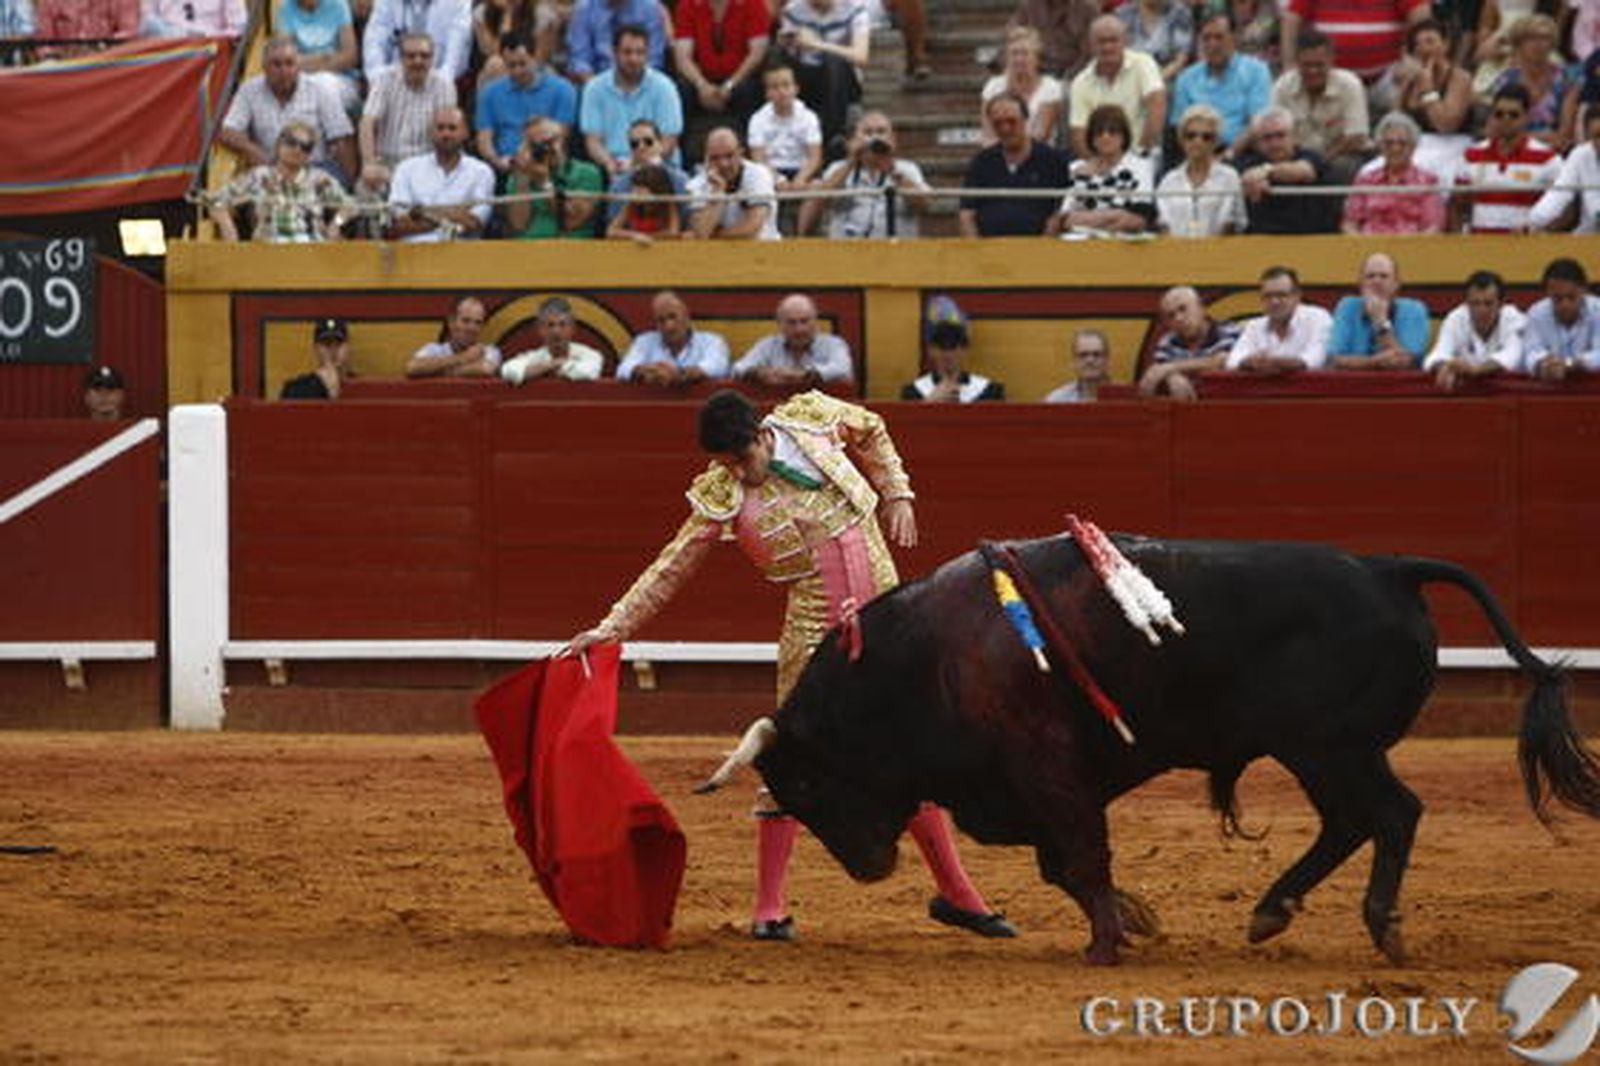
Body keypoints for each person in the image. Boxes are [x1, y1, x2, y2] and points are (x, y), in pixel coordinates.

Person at [563, 388, 1015, 942]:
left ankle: (959, 895)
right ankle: (769, 908)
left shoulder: (811, 421)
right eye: (726, 465)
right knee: (788, 761)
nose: (739, 474)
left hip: (890, 618)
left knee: (911, 752)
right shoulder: (723, 491)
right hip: (813, 630)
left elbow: (871, 428)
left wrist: (897, 491)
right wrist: (612, 628)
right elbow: (671, 566)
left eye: (742, 460)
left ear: (760, 434)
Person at [218, 37, 358, 185]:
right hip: (271, 168)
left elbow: (342, 137)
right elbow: (228, 131)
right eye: (276, 65)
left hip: (314, 168)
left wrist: (351, 184)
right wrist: (253, 151)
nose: (284, 71)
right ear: (264, 67)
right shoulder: (249, 90)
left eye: (289, 64)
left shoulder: (319, 89)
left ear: (298, 66)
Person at [210, 121, 351, 243]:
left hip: (311, 249)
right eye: (291, 142)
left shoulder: (320, 179)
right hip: (269, 250)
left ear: (309, 155)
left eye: (305, 147)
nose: (297, 149)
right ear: (279, 144)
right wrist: (227, 227)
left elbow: (351, 206)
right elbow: (215, 201)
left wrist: (336, 224)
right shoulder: (259, 176)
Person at [798, 111, 930, 238]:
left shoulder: (907, 169)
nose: (874, 138)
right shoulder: (838, 169)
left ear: (892, 139)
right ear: (854, 138)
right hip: (847, 253)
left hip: (895, 253)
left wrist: (892, 171)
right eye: (868, 132)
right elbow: (820, 200)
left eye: (881, 132)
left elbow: (924, 205)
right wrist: (851, 162)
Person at [959, 92, 1073, 237]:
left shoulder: (1053, 160)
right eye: (998, 123)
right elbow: (966, 214)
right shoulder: (981, 162)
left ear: (1026, 119)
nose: (1005, 128)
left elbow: (1063, 209)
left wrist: (1045, 246)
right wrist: (976, 252)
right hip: (988, 250)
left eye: (1012, 121)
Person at [579, 24, 684, 178]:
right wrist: (609, 163)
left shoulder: (665, 87)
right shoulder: (594, 88)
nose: (634, 58)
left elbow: (669, 141)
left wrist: (639, 164)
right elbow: (593, 142)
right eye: (627, 52)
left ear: (647, 54)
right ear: (614, 53)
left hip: (659, 165)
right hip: (613, 166)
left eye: (640, 52)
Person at [359, 32, 459, 193]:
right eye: (411, 56)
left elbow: (447, 132)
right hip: (387, 164)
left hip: (428, 165)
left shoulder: (444, 85)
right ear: (401, 58)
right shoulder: (385, 79)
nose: (417, 61)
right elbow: (367, 122)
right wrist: (369, 163)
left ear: (433, 58)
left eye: (424, 56)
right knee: (366, 196)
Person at [1452, 83, 1560, 232]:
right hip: (1479, 247)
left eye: (1514, 114)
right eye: (1499, 114)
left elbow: (1564, 206)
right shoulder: (1471, 155)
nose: (1506, 119)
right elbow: (1457, 206)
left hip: (1527, 248)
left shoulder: (1547, 158)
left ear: (1527, 117)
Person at [1267, 30, 1371, 186]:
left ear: (1331, 61)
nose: (1313, 71)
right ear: (1297, 62)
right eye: (1307, 65)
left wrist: (1316, 163)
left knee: (1340, 169)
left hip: (1342, 155)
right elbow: (1273, 130)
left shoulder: (1350, 85)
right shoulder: (1282, 87)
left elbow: (1355, 138)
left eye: (1319, 65)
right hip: (1296, 156)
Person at [474, 31, 580, 181]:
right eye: (511, 65)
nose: (517, 71)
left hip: (548, 161)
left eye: (522, 64)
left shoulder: (563, 90)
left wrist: (529, 159)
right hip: (505, 166)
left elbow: (561, 135)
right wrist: (496, 160)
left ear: (534, 58)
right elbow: (484, 138)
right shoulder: (490, 93)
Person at [387, 107, 497, 241]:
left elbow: (474, 222)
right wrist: (456, 213)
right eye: (440, 128)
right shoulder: (406, 169)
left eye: (452, 128)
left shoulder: (482, 172)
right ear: (431, 133)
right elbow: (400, 224)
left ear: (466, 133)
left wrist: (422, 214)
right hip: (414, 254)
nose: (446, 134)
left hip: (463, 255)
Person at [1170, 10, 1272, 152]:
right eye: (1206, 38)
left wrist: (1229, 154)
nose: (1212, 44)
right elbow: (1180, 127)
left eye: (1219, 37)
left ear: (1235, 38)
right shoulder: (1186, 78)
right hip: (1196, 152)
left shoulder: (1256, 71)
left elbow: (1257, 124)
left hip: (1241, 153)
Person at [1067, 15, 1167, 158]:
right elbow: (1078, 132)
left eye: (1113, 40)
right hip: (1099, 159)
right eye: (1101, 42)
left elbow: (1157, 107)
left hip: (1143, 152)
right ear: (1091, 45)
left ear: (1125, 41)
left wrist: (1138, 154)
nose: (1107, 47)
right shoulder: (1080, 82)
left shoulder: (1144, 63)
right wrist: (1096, 163)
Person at [775, 0, 871, 150]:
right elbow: (788, 50)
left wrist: (816, 44)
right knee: (775, 55)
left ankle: (834, 135)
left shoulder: (855, 8)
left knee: (833, 61)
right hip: (807, 75)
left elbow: (861, 56)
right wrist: (787, 42)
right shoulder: (793, 9)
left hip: (843, 81)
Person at [1049, 103, 1154, 236]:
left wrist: (1084, 219)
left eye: (1113, 131)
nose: (1105, 136)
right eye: (1099, 132)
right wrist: (1114, 214)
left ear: (1124, 135)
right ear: (1091, 138)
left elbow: (1138, 219)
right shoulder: (1076, 169)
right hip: (1078, 243)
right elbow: (1065, 219)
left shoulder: (1140, 167)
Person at [1389, 18, 1473, 181]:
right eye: (1418, 44)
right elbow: (1395, 121)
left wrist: (1428, 90)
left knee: (1418, 167)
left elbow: (1446, 125)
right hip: (1413, 144)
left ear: (1445, 44)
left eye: (1430, 41)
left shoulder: (1459, 78)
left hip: (1450, 144)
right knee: (1371, 169)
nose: (1424, 49)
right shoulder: (1410, 80)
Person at [670, 0, 770, 135]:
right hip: (700, 79)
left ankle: (750, 147)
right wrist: (702, 85)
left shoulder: (753, 4)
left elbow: (756, 54)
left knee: (750, 90)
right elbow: (682, 58)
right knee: (681, 90)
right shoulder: (687, 5)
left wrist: (730, 85)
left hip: (740, 78)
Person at [1234, 106, 1338, 233]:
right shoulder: (1247, 162)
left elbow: (1304, 171)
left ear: (1294, 137)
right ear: (1256, 142)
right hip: (1259, 242)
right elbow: (1245, 176)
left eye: (1280, 135)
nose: (1275, 144)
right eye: (1267, 138)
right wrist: (1249, 177)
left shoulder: (1311, 156)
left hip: (1313, 239)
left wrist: (1266, 172)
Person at [1340, 111, 1445, 234]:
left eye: (1402, 143)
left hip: (1412, 247)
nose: (1396, 149)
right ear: (1380, 146)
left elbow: (1433, 226)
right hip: (1370, 248)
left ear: (1413, 147)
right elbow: (1350, 223)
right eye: (1389, 143)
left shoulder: (1427, 181)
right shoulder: (1366, 180)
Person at [1422, 270, 1526, 391]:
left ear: (1501, 304)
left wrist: (1477, 370)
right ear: (1466, 303)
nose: (1481, 310)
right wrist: (1443, 366)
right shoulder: (1456, 318)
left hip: (1507, 394)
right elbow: (1438, 353)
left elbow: (1512, 355)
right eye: (1475, 303)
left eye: (1488, 303)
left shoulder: (1514, 318)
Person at [1487, 14, 1579, 150]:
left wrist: (1516, 135)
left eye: (1545, 38)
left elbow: (1564, 135)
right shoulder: (1506, 80)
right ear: (1518, 44)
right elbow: (1494, 130)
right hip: (1511, 150)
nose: (1539, 44)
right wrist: (1544, 136)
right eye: (1531, 38)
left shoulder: (1566, 80)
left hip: (1552, 152)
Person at [1327, 252, 1431, 370]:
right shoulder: (1347, 306)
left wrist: (1381, 322)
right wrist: (1375, 362)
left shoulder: (1414, 310)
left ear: (1396, 284)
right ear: (1360, 284)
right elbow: (1334, 359)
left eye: (1384, 276)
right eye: (1370, 276)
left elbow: (1404, 363)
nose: (1376, 281)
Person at [1280, 0, 1430, 81]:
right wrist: (1289, 64)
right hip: (1331, 78)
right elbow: (1292, 18)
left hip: (1389, 77)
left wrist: (1413, 58)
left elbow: (1421, 17)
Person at [505, 117, 605, 238]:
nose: (547, 148)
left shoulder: (586, 173)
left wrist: (545, 183)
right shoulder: (520, 176)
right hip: (528, 248)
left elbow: (571, 221)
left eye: (551, 141)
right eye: (537, 144)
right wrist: (523, 178)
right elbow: (519, 225)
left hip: (571, 249)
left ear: (563, 140)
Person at [1157, 104, 1247, 237]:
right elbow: (1164, 226)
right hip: (1176, 252)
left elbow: (1235, 223)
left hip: (1218, 253)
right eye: (1191, 135)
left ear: (1216, 142)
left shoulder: (1229, 177)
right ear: (1181, 139)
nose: (1198, 141)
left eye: (1206, 137)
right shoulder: (1169, 180)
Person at [1225, 265, 1333, 373]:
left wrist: (1273, 363)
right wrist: (1249, 362)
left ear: (1297, 296)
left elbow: (1315, 360)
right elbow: (1232, 362)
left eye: (1282, 295)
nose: (1274, 302)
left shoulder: (1318, 318)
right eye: (1268, 296)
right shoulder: (1254, 326)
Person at [1140, 286, 1242, 400]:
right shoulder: (1167, 342)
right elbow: (1156, 374)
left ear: (1201, 308)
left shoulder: (1230, 330)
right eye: (1171, 315)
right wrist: (1171, 377)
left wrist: (1170, 368)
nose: (1178, 318)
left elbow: (1222, 362)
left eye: (1183, 309)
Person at [900, 295, 1005, 402]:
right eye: (941, 346)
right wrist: (929, 402)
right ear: (930, 350)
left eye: (954, 345)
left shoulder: (990, 392)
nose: (948, 354)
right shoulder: (913, 393)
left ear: (964, 349)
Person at [732, 293, 854, 385]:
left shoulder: (833, 344)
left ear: (815, 321)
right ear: (780, 324)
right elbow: (738, 368)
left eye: (804, 321)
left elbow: (843, 368)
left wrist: (805, 375)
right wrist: (761, 374)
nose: (799, 329)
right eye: (791, 322)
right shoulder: (767, 345)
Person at [614, 290, 731, 384]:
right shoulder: (644, 342)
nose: (668, 326)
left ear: (686, 316)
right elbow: (623, 370)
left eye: (672, 317)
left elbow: (716, 367)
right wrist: (646, 371)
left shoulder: (712, 342)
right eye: (661, 320)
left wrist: (678, 374)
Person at [687, 127, 781, 240]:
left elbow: (751, 229)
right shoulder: (697, 184)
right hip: (718, 255)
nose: (723, 164)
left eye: (729, 156)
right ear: (706, 157)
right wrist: (718, 192)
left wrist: (715, 236)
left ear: (741, 153)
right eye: (715, 158)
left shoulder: (758, 174)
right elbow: (701, 234)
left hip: (763, 250)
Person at [747, 61, 824, 193]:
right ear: (767, 93)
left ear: (796, 88)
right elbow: (758, 157)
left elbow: (814, 156)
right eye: (774, 87)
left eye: (786, 85)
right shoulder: (757, 119)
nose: (781, 91)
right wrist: (777, 179)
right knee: (756, 184)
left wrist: (801, 178)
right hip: (770, 171)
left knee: (820, 186)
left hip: (802, 170)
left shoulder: (809, 117)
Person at [980, 26, 1064, 145]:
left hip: (1037, 153)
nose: (1019, 59)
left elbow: (1040, 135)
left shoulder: (1051, 87)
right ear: (1006, 57)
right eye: (1014, 53)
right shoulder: (993, 86)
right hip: (998, 152)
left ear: (1036, 58)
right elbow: (988, 133)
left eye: (1025, 53)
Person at [601, 119, 690, 225]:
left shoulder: (680, 180)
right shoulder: (619, 185)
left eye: (648, 141)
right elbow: (612, 222)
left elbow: (687, 221)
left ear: (660, 144)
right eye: (634, 144)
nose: (641, 147)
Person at [277, 0, 360, 113]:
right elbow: (285, 60)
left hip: (341, 79)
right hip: (301, 80)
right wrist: (325, 58)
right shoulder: (286, 7)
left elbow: (350, 57)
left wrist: (302, 62)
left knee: (322, 85)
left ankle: (339, 130)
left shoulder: (339, 4)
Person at [1525, 257, 1600, 381]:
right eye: (1557, 298)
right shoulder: (1536, 313)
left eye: (1571, 297)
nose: (1565, 305)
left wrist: (1572, 364)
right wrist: (1543, 364)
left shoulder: (1598, 310)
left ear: (1584, 290)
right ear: (1547, 292)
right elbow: (1530, 353)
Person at [501, 297, 606, 383]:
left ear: (572, 328)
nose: (556, 331)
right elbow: (509, 370)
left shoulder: (590, 354)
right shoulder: (535, 356)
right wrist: (553, 364)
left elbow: (586, 373)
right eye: (550, 325)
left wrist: (540, 369)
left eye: (562, 324)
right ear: (541, 329)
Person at [1530, 106, 1600, 233]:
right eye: (1597, 136)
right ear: (1588, 137)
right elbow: (1559, 193)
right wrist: (1533, 222)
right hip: (1589, 239)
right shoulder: (1580, 155)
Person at [364, 0, 473, 81]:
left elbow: (454, 62)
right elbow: (373, 44)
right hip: (393, 82)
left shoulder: (459, 2)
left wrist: (433, 85)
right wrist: (379, 79)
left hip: (438, 83)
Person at [565, 0, 670, 80]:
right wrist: (600, 89)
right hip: (595, 80)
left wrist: (631, 88)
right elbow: (579, 60)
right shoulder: (585, 8)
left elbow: (654, 60)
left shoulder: (650, 8)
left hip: (641, 82)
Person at [405, 296, 503, 377]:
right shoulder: (434, 349)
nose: (471, 328)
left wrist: (435, 371)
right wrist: (462, 358)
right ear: (451, 323)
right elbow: (412, 367)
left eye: (478, 323)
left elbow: (485, 369)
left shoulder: (489, 351)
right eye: (465, 321)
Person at [1008, 0, 1103, 78]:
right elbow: (1012, 39)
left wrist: (1070, 77)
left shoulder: (1088, 9)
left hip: (1076, 75)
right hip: (1036, 75)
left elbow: (1091, 53)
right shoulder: (1028, 7)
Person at [1117, 0, 1194, 82]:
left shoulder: (1179, 13)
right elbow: (1118, 55)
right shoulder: (1124, 14)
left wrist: (1154, 82)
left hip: (1167, 78)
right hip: (1131, 77)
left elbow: (1181, 59)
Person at [605, 162, 683, 240]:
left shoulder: (668, 203)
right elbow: (611, 232)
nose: (635, 192)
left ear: (656, 189)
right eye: (635, 187)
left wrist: (649, 237)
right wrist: (635, 236)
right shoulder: (631, 205)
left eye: (641, 188)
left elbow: (673, 233)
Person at [282, 318, 355, 399]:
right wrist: (318, 386)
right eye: (327, 344)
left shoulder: (360, 386)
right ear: (316, 348)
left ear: (347, 348)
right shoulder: (295, 389)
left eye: (338, 344)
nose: (333, 350)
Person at [1043, 328, 1112, 401]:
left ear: (1107, 361)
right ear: (1073, 362)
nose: (1090, 360)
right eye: (1083, 355)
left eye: (1096, 354)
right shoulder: (1057, 400)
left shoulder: (1123, 397)